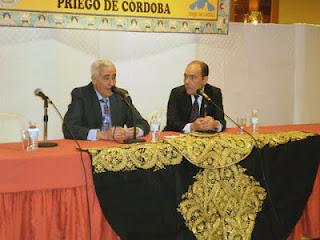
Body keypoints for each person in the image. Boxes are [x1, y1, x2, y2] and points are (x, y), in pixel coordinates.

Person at [63, 59, 150, 141]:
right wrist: (102, 135)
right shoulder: (81, 95)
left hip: (116, 151)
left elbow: (143, 124)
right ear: (94, 80)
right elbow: (68, 128)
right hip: (90, 151)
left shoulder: (121, 95)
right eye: (106, 78)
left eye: (114, 77)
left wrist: (135, 132)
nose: (112, 83)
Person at [165, 60, 226, 132]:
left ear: (204, 80)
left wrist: (215, 124)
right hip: (180, 138)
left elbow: (222, 121)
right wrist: (192, 127)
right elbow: (171, 123)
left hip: (204, 140)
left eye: (192, 77)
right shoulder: (177, 93)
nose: (186, 82)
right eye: (185, 76)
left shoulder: (214, 93)